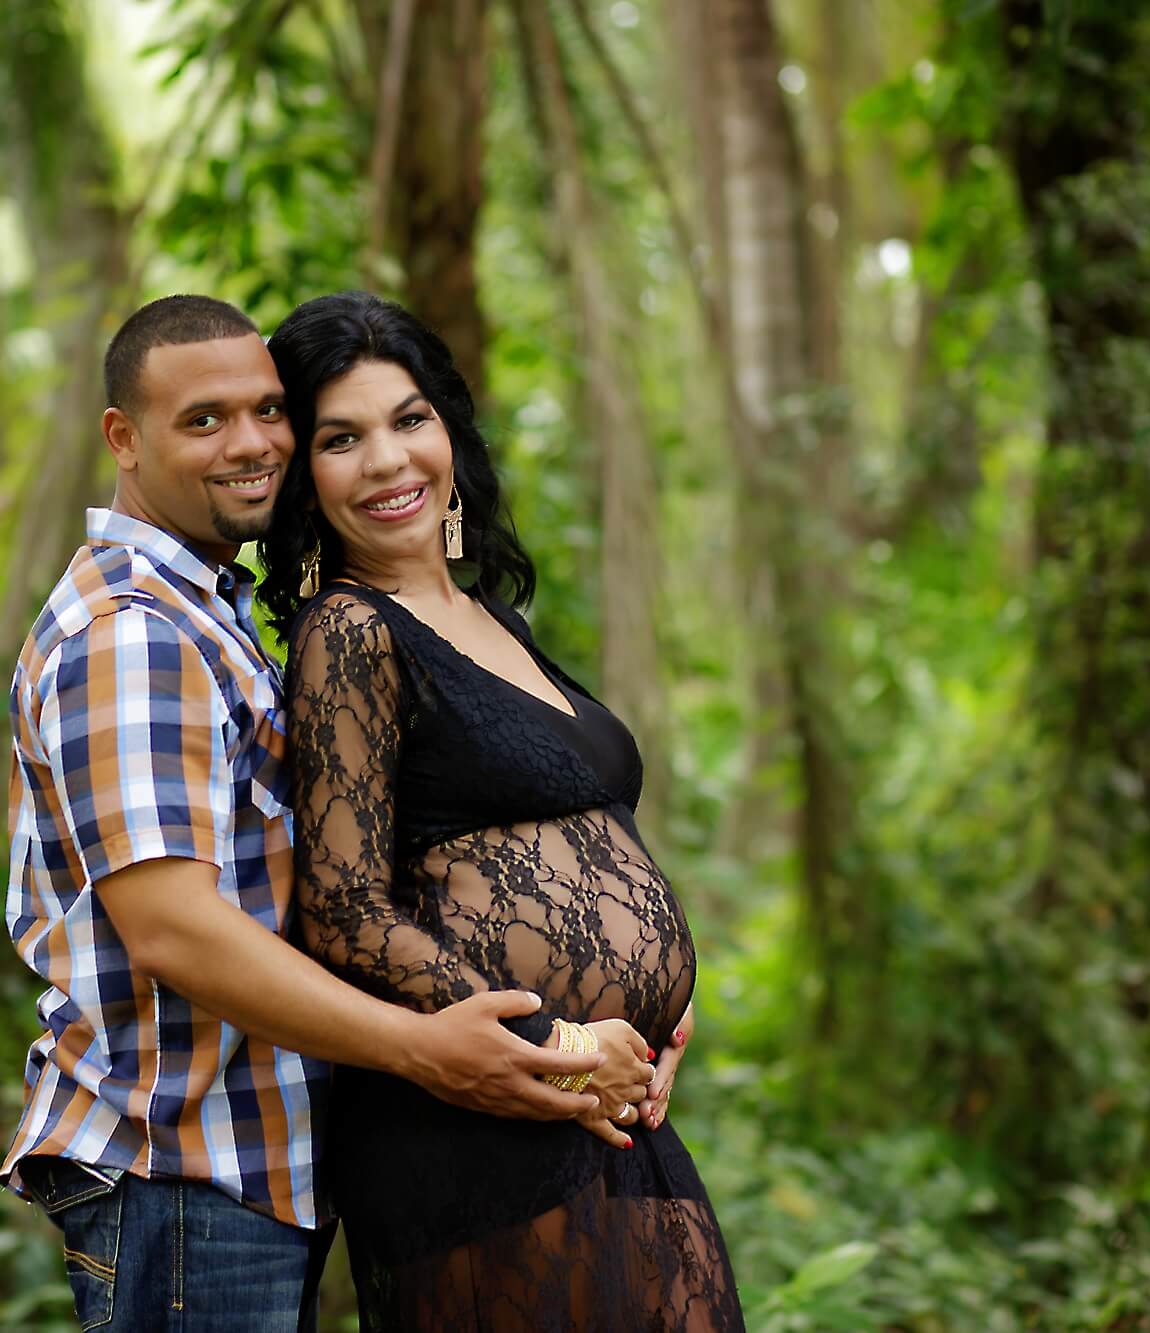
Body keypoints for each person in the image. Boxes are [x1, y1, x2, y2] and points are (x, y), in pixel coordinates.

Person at [0, 294, 655, 1331]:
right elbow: (172, 926)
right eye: (203, 419)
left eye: (267, 411)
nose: (251, 441)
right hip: (183, 1161)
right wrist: (419, 1045)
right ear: (122, 438)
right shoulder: (129, 634)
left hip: (245, 1158)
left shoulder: (206, 616)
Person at [258, 290, 746, 1331]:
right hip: (479, 1123)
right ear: (304, 476)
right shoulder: (346, 631)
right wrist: (560, 1034)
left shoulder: (489, 618)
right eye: (340, 438)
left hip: (601, 1109)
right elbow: (345, 909)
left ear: (450, 430)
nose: (387, 462)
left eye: (408, 419)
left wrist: (661, 1010)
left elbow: (576, 841)